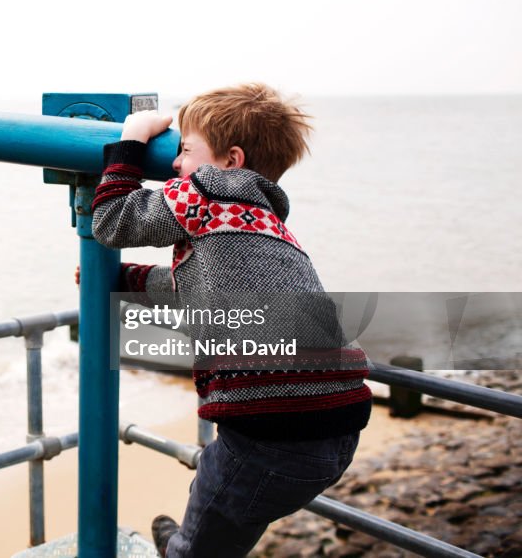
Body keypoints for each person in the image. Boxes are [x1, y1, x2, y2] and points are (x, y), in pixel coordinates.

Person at [90, 83, 371, 558]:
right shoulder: (266, 223)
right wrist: (126, 279)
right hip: (338, 427)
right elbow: (197, 284)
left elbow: (113, 221)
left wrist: (131, 141)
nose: (174, 165)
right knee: (225, 503)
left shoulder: (208, 189)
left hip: (271, 431)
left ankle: (183, 548)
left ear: (230, 161)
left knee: (214, 516)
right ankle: (188, 540)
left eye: (184, 150)